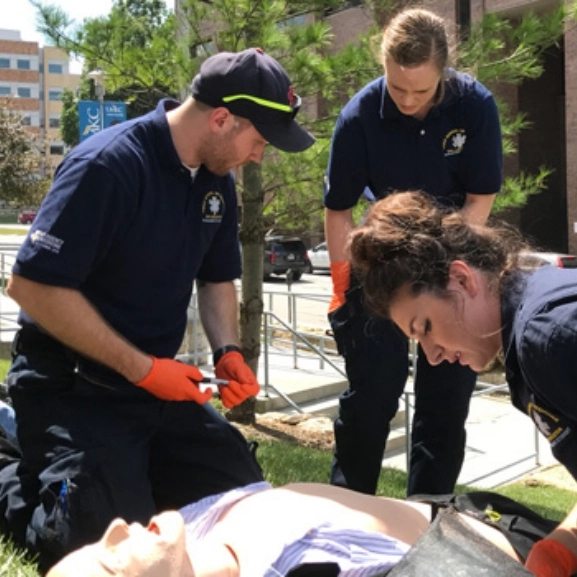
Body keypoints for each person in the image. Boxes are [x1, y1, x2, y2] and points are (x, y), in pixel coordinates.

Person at [0, 47, 315, 570]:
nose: (259, 154)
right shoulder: (108, 165)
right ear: (221, 119)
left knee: (244, 497)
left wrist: (228, 351)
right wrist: (144, 370)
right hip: (72, 387)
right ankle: (14, 458)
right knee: (100, 537)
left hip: (153, 388)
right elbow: (31, 286)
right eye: (259, 140)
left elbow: (216, 277)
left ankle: (124, 469)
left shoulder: (217, 182)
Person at [348, 189, 577, 577]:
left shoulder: (548, 332)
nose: (433, 355)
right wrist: (564, 543)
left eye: (426, 328)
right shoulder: (530, 332)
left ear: (460, 278)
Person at [323, 7, 503, 496]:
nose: (406, 100)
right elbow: (338, 210)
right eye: (396, 86)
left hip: (449, 267)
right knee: (371, 398)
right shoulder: (359, 115)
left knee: (443, 404)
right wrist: (343, 285)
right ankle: (349, 508)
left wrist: (443, 266)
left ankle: (428, 518)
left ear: (443, 71)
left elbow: (479, 198)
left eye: (420, 91)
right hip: (379, 270)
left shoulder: (475, 106)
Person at [43, 480, 573, 577]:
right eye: (112, 563)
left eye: (96, 543)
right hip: (511, 543)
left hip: (448, 504)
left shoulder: (196, 523)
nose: (114, 529)